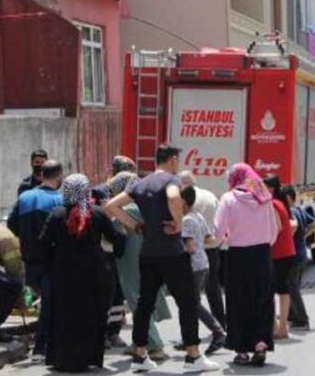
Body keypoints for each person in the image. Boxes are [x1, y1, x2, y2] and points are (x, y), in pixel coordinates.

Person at [106, 145, 220, 372]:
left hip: (147, 253)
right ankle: (193, 355)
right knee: (187, 302)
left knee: (144, 304)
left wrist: (136, 225)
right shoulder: (171, 180)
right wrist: (177, 223)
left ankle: (139, 354)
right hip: (172, 253)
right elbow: (173, 196)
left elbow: (112, 206)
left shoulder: (140, 183)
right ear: (173, 160)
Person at [39, 174, 121, 372]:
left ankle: (62, 359)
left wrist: (52, 261)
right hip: (94, 273)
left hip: (63, 273)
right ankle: (88, 358)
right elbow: (118, 240)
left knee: (63, 314)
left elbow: (42, 245)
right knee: (91, 313)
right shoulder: (99, 214)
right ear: (86, 190)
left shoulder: (57, 214)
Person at [215, 163, 278, 367]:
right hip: (262, 255)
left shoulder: (228, 198)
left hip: (238, 257)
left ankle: (241, 350)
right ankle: (260, 345)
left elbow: (219, 230)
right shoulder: (264, 197)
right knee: (262, 300)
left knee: (238, 301)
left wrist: (220, 240)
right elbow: (273, 232)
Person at [107, 171, 172, 361]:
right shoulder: (147, 207)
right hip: (149, 256)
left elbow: (111, 234)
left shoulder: (126, 211)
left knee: (136, 301)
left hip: (130, 262)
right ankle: (139, 343)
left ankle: (155, 345)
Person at [7, 160, 63, 359]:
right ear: (59, 176)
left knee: (43, 302)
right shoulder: (60, 199)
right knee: (49, 305)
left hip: (30, 260)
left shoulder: (25, 197)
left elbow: (12, 224)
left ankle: (44, 345)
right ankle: (41, 348)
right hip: (52, 260)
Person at [91, 156, 136, 349]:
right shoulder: (100, 192)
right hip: (103, 249)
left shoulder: (130, 192)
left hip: (120, 247)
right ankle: (100, 333)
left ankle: (114, 332)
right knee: (104, 294)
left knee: (118, 293)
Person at [179, 185, 227, 355]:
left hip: (192, 266)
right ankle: (189, 339)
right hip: (203, 264)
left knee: (192, 303)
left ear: (183, 201)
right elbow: (209, 238)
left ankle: (218, 332)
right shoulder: (198, 216)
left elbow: (189, 247)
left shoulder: (186, 221)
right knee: (191, 303)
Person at [263, 175, 297, 339]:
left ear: (271, 188)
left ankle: (277, 327)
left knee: (269, 290)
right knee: (282, 288)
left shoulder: (272, 204)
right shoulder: (280, 203)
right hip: (287, 252)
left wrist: (266, 243)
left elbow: (276, 228)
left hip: (277, 252)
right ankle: (281, 326)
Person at [283, 185, 315, 330]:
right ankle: (292, 316)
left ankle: (302, 318)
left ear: (289, 198)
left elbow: (293, 228)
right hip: (302, 253)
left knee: (292, 287)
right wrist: (303, 236)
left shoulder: (291, 213)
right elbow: (314, 224)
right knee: (292, 286)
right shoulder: (300, 210)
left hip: (294, 254)